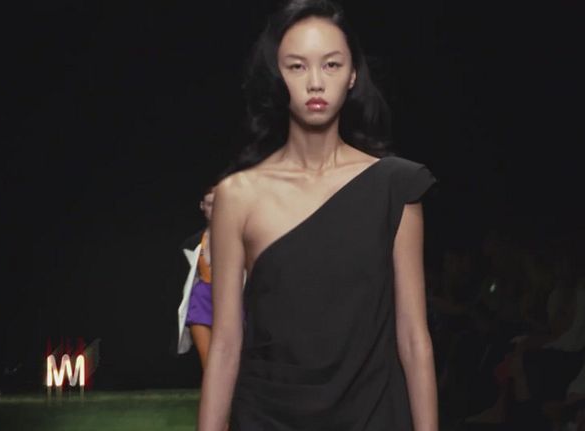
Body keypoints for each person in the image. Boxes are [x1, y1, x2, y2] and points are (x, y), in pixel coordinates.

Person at [197, 1, 439, 429]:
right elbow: (226, 345)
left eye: (331, 64)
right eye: (296, 66)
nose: (314, 82)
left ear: (352, 75)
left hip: (371, 415)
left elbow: (413, 337)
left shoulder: (394, 188)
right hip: (268, 416)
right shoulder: (238, 196)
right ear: (277, 76)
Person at [177, 188, 216, 368]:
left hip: (230, 300)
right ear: (202, 206)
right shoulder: (192, 243)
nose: (215, 209)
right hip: (201, 300)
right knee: (208, 364)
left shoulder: (241, 239)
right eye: (210, 204)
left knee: (232, 361)